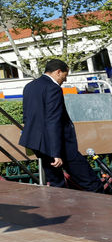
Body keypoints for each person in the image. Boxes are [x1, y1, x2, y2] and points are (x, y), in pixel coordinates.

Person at [20, 58, 109, 193]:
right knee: (90, 181)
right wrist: (55, 152)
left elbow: (27, 116)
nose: (65, 80)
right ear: (58, 72)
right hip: (59, 146)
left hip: (39, 145)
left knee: (57, 184)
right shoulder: (53, 88)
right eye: (65, 76)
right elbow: (53, 120)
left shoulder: (30, 86)